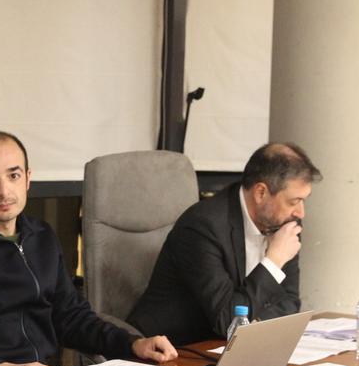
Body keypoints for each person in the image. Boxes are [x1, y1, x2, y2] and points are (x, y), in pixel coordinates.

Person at [0, 130, 177, 366]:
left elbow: (71, 317)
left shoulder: (41, 236)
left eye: (13, 175)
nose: (3, 191)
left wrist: (132, 344)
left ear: (28, 179)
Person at [128, 142, 322, 345]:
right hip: (171, 350)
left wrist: (255, 325)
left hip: (228, 349)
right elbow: (227, 321)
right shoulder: (203, 227)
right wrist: (273, 261)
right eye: (293, 201)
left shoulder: (286, 222)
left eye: (303, 201)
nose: (300, 212)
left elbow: (289, 302)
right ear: (260, 193)